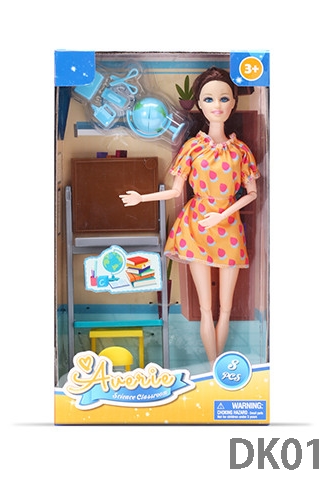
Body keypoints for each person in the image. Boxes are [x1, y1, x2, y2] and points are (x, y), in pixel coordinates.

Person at [119, 67, 260, 365]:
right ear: (199, 104)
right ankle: (214, 366)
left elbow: (251, 193)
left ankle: (217, 369)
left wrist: (222, 216)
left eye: (224, 98)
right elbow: (175, 191)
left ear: (233, 102)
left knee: (225, 308)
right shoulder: (192, 147)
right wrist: (142, 198)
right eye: (209, 99)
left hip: (228, 227)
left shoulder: (241, 151)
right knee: (206, 309)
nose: (217, 105)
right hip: (196, 228)